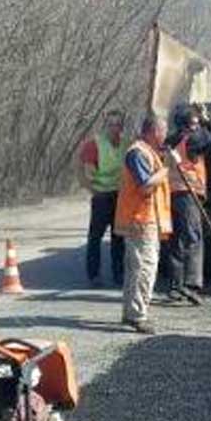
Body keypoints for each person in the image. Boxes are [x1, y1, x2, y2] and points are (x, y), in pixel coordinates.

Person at [114, 115, 172, 334]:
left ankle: (131, 313)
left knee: (136, 270)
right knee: (143, 270)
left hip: (145, 219)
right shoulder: (138, 153)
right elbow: (146, 186)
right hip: (140, 220)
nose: (165, 136)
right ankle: (138, 316)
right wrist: (166, 169)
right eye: (162, 131)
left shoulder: (148, 153)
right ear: (153, 131)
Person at [162, 105, 210, 305]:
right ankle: (192, 285)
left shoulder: (172, 141)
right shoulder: (191, 140)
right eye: (193, 124)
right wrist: (207, 120)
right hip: (187, 192)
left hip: (173, 192)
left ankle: (175, 286)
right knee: (194, 238)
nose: (196, 127)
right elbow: (210, 138)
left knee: (177, 240)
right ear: (185, 126)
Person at [78, 109, 128, 287]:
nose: (115, 128)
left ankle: (119, 273)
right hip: (101, 196)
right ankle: (94, 275)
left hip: (120, 196)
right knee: (95, 237)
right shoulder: (94, 144)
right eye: (111, 124)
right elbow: (85, 174)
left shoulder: (126, 143)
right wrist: (94, 191)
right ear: (105, 126)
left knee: (119, 237)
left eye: (118, 124)